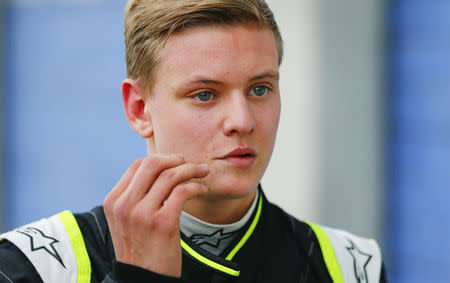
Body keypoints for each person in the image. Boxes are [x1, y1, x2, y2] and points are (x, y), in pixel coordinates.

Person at [0, 0, 386, 282]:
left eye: (260, 89)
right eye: (205, 94)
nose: (243, 121)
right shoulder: (37, 265)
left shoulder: (353, 266)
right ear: (139, 109)